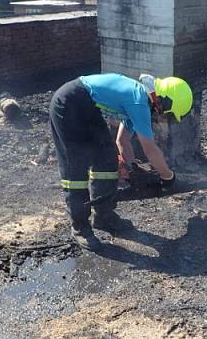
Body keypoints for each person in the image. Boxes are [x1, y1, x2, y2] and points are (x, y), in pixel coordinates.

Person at [50, 72, 193, 251]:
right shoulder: (139, 100)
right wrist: (168, 177)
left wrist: (133, 169)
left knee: (106, 157)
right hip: (68, 103)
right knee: (76, 167)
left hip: (87, 107)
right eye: (164, 111)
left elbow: (122, 141)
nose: (161, 115)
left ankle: (103, 215)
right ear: (163, 101)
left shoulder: (137, 99)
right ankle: (79, 226)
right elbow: (150, 149)